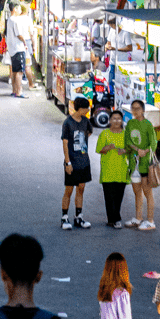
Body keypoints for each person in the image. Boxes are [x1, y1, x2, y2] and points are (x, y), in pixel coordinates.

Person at [124, 98, 158, 230]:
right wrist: (136, 149)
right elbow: (127, 141)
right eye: (133, 108)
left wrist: (145, 151)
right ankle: (138, 218)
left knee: (147, 192)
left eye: (137, 108)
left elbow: (153, 144)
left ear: (143, 110)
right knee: (137, 192)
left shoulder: (148, 125)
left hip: (145, 165)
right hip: (133, 164)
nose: (135, 111)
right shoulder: (130, 124)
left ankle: (150, 221)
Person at [61, 97, 93, 230]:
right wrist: (67, 162)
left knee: (81, 189)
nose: (88, 110)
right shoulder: (68, 122)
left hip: (84, 161)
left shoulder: (86, 121)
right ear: (80, 108)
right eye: (86, 108)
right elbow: (65, 142)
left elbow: (90, 132)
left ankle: (78, 217)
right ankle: (64, 218)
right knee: (69, 189)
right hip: (72, 161)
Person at [96, 111, 129, 229]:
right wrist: (108, 147)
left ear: (122, 121)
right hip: (108, 170)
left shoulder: (126, 134)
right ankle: (115, 219)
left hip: (122, 169)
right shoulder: (104, 134)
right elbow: (99, 149)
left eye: (119, 119)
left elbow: (132, 149)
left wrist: (125, 150)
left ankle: (114, 218)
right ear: (109, 121)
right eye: (114, 118)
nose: (116, 121)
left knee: (119, 196)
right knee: (109, 196)